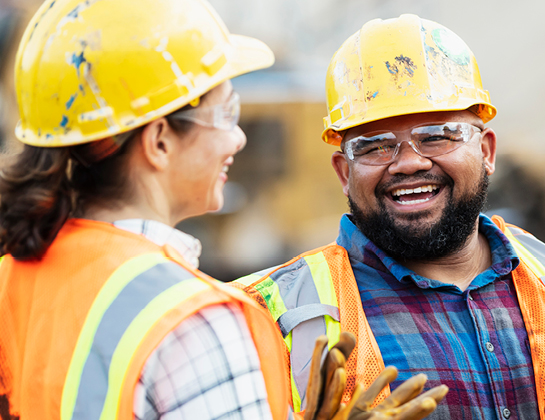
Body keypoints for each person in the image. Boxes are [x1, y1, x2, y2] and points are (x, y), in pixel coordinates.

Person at [0, 1, 446, 420]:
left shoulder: (10, 277)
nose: (238, 139)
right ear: (158, 142)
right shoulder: (198, 320)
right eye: (226, 115)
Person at [235, 14, 545, 419]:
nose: (409, 163)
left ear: (486, 152)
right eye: (375, 146)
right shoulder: (263, 319)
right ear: (343, 171)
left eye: (438, 136)